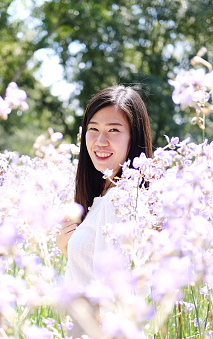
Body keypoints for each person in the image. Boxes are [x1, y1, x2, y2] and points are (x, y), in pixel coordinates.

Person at [56, 85, 153, 335]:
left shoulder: (119, 200)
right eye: (93, 129)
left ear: (135, 138)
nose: (100, 141)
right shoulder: (106, 197)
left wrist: (69, 248)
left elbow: (115, 296)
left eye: (114, 130)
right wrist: (73, 252)